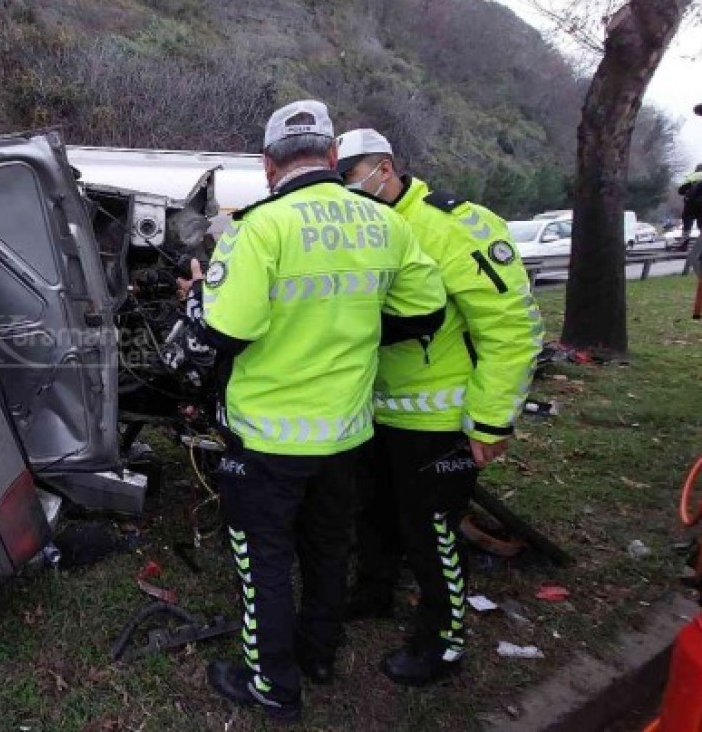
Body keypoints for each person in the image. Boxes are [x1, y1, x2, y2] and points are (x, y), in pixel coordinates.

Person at [181, 101, 447, 723]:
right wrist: (350, 327)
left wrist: (196, 300)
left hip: (268, 439)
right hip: (347, 433)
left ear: (270, 167)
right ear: (332, 157)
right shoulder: (385, 222)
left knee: (264, 561)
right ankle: (319, 654)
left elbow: (222, 335)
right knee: (329, 547)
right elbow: (427, 311)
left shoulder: (260, 228)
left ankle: (271, 685)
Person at [337, 129, 544, 685]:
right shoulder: (352, 226)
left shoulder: (453, 225)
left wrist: (493, 418)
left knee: (432, 532)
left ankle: (444, 639)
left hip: (437, 417)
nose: (347, 192)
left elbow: (512, 327)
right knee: (372, 514)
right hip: (371, 412)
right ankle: (372, 594)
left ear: (386, 167)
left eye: (353, 179)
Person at [677, 164, 702, 250]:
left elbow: (680, 191)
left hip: (690, 205)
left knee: (687, 225)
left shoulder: (691, 177)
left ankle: (684, 245)